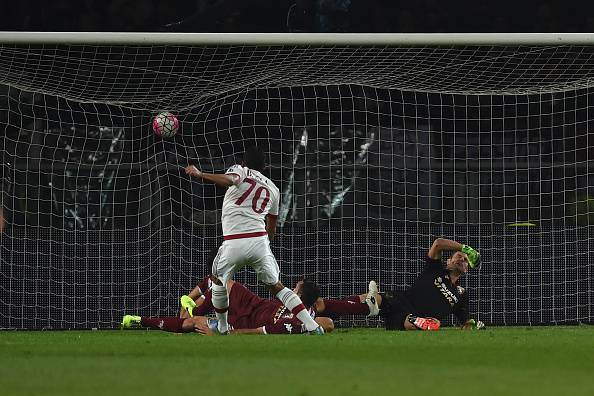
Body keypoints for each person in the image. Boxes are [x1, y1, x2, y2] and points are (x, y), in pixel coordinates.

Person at [184, 146, 324, 334]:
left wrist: (200, 174)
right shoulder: (273, 189)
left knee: (218, 281)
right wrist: (265, 243)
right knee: (277, 286)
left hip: (234, 242)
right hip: (259, 242)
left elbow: (230, 180)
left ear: (243, 162)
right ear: (264, 167)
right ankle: (313, 326)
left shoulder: (241, 171)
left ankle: (223, 327)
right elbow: (272, 225)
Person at [121, 278, 334, 335]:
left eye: (295, 289)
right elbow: (328, 319)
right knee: (224, 282)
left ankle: (138, 320)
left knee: (190, 323)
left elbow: (328, 323)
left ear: (300, 296)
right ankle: (191, 301)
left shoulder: (304, 319)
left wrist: (230, 334)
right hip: (254, 304)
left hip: (245, 322)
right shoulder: (299, 308)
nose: (291, 290)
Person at [378, 238, 485, 331]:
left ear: (466, 269)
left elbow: (465, 323)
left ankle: (417, 321)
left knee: (423, 323)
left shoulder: (461, 294)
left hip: (407, 320)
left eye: (466, 260)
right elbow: (438, 243)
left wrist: (474, 325)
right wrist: (466, 249)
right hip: (400, 300)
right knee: (371, 299)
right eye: (459, 256)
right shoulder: (434, 268)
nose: (462, 259)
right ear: (448, 261)